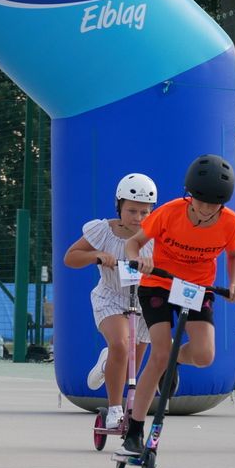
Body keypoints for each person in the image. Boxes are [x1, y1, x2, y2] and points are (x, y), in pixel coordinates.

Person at [123, 155, 235, 454]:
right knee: (159, 353)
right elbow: (133, 243)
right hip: (159, 284)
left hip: (197, 287)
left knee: (204, 355)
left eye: (212, 205)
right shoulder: (168, 213)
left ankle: (174, 361)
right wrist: (140, 259)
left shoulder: (231, 223)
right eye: (199, 201)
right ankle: (135, 428)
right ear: (189, 194)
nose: (204, 210)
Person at [62, 172, 157, 431]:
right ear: (119, 206)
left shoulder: (156, 235)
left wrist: (154, 265)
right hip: (111, 297)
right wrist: (96, 255)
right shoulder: (103, 230)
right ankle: (115, 408)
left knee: (134, 360)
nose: (138, 218)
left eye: (145, 212)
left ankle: (111, 369)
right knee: (121, 345)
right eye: (132, 211)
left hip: (145, 301)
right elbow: (70, 258)